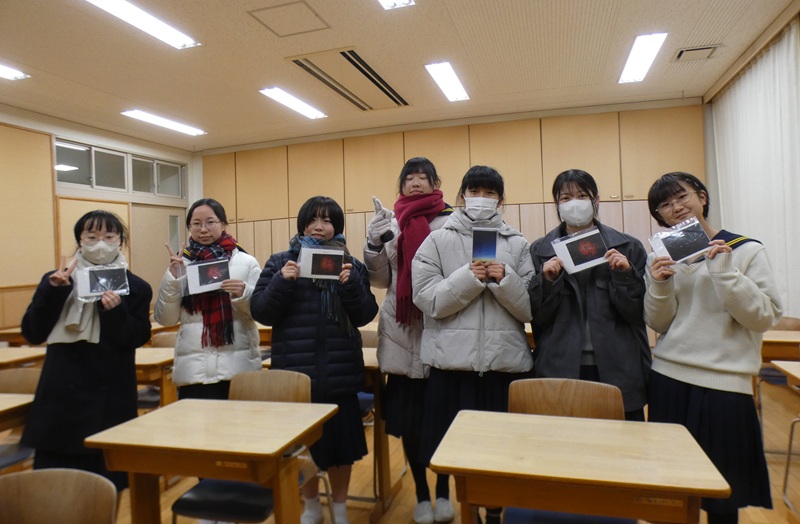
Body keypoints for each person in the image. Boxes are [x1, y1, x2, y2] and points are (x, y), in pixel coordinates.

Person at [644, 172, 783, 524]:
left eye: (682, 197)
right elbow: (660, 323)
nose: (676, 208)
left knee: (723, 495)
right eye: (665, 205)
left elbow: (763, 317)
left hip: (725, 385)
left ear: (702, 197)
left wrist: (724, 273)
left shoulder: (745, 249)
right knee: (671, 490)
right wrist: (658, 285)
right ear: (659, 216)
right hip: (669, 378)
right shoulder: (662, 257)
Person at [412, 166, 534, 524]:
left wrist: (505, 279)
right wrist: (468, 277)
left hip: (503, 367)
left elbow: (531, 308)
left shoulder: (517, 244)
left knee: (501, 455)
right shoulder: (436, 241)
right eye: (475, 191)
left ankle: (494, 512)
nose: (482, 198)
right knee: (457, 456)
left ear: (501, 199)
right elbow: (428, 300)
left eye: (490, 192)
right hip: (452, 368)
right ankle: (469, 512)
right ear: (462, 196)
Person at [250, 196, 379, 524]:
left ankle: (340, 508)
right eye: (312, 220)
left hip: (340, 373)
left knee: (341, 450)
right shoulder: (281, 262)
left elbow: (365, 315)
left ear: (337, 226)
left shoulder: (351, 265)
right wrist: (282, 282)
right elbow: (261, 312)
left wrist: (351, 286)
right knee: (302, 449)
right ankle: (311, 505)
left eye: (327, 220)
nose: (319, 227)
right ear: (302, 225)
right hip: (296, 375)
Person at [20, 210, 152, 490]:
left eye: (109, 236)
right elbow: (33, 333)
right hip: (61, 399)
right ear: (79, 241)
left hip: (110, 401)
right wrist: (53, 292)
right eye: (91, 237)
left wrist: (116, 312)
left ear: (120, 242)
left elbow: (136, 337)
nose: (100, 243)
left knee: (106, 487)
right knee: (53, 489)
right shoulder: (58, 280)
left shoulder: (136, 287)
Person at [364, 157, 455, 524]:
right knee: (411, 425)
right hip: (402, 331)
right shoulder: (392, 223)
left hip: (441, 327)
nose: (415, 183)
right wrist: (374, 243)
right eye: (409, 178)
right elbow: (381, 280)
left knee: (445, 422)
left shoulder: (451, 221)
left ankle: (444, 492)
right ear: (401, 185)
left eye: (423, 177)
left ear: (435, 183)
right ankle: (420, 495)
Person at [528, 169, 650, 420]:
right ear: (556, 205)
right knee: (563, 439)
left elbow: (637, 313)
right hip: (559, 364)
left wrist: (624, 275)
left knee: (622, 438)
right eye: (565, 198)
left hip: (618, 365)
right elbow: (537, 317)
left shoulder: (627, 246)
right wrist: (548, 282)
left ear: (596, 200)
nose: (574, 203)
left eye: (582, 196)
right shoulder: (540, 251)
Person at [154, 198, 262, 400]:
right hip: (195, 370)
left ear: (223, 224)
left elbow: (261, 312)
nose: (203, 229)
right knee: (196, 420)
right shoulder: (182, 264)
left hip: (238, 367)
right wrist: (174, 279)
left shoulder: (246, 262)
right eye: (196, 224)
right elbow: (166, 319)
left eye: (210, 222)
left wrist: (244, 293)